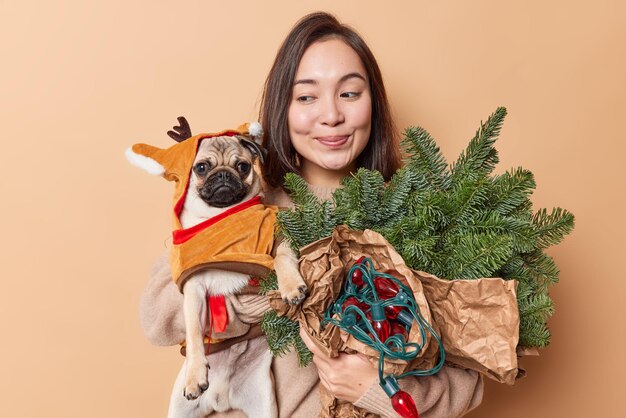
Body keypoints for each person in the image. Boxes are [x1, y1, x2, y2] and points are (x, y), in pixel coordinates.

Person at [140, 11, 483, 417]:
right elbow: (157, 313)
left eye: (350, 94)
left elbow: (469, 377)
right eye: (306, 96)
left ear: (373, 102)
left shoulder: (417, 216)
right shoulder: (245, 201)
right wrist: (251, 300)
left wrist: (378, 388)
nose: (331, 115)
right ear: (282, 107)